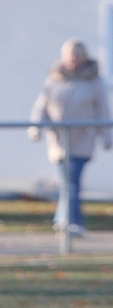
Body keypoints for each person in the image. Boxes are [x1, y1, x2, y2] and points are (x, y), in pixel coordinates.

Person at [29, 39, 112, 236]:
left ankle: (72, 221)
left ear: (83, 57)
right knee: (67, 183)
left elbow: (102, 110)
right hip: (59, 141)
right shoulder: (54, 80)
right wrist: (36, 128)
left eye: (77, 55)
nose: (73, 59)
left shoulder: (93, 81)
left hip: (82, 140)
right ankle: (64, 219)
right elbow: (42, 107)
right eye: (70, 55)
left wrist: (107, 136)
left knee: (71, 182)